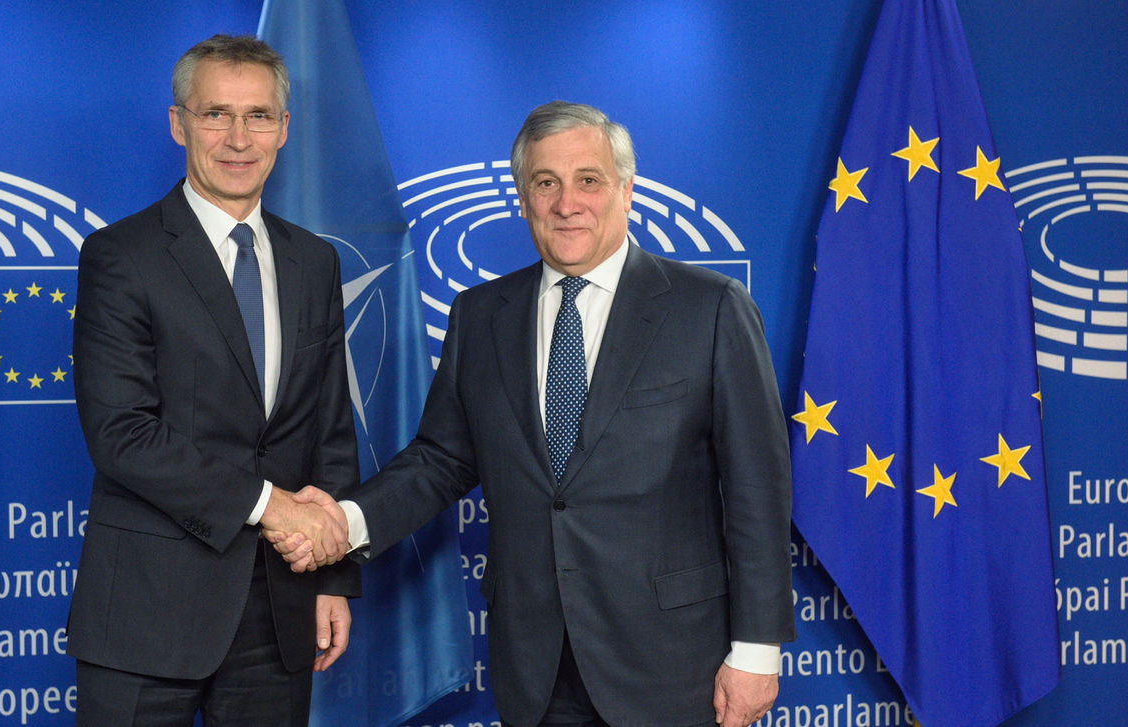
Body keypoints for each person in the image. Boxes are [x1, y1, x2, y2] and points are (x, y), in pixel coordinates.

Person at [271, 101, 795, 727]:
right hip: (537, 666)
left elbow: (756, 489)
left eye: (588, 181)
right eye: (545, 183)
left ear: (626, 191)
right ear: (523, 198)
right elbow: (440, 461)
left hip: (674, 665)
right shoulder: (481, 314)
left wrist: (758, 651)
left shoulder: (708, 308)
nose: (566, 202)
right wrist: (345, 522)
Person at [67, 34, 356, 727]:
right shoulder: (120, 256)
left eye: (258, 115)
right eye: (215, 114)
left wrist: (334, 574)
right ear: (178, 123)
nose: (237, 137)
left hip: (281, 610)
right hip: (146, 615)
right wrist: (272, 506)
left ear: (283, 129)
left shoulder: (314, 262)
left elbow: (329, 427)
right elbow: (122, 435)